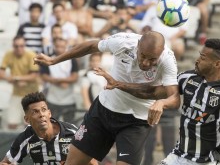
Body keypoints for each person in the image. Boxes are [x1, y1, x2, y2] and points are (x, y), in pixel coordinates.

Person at [94, 38, 220, 164]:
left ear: (218, 64)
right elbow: (154, 91)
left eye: (203, 57)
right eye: (199, 55)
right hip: (178, 156)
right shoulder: (188, 78)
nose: (198, 59)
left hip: (205, 161)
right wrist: (118, 84)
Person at [34, 31, 180, 165]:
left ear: (161, 53)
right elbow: (91, 46)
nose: (146, 63)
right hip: (103, 111)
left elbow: (174, 97)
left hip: (137, 121)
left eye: (152, 59)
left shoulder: (167, 60)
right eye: (143, 56)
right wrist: (54, 60)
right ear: (138, 46)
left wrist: (162, 103)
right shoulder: (123, 42)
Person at [0, 91, 98, 165]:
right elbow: (6, 162)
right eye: (35, 112)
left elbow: (92, 162)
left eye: (44, 110)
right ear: (27, 119)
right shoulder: (26, 137)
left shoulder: (72, 133)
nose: (41, 115)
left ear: (49, 113)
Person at [0, 36, 39, 130]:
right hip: (17, 93)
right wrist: (12, 78)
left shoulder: (31, 55)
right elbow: (1, 72)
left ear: (24, 46)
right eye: (16, 46)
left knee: (31, 124)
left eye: (21, 46)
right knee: (12, 123)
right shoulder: (9, 54)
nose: (19, 48)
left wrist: (15, 79)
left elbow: (34, 76)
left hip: (31, 95)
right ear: (13, 46)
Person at [40, 38, 79, 123]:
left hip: (69, 98)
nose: (60, 48)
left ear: (66, 47)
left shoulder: (72, 60)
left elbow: (75, 77)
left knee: (69, 124)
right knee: (51, 123)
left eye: (62, 46)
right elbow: (44, 76)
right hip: (52, 98)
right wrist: (60, 82)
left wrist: (58, 80)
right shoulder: (48, 59)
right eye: (58, 46)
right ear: (54, 46)